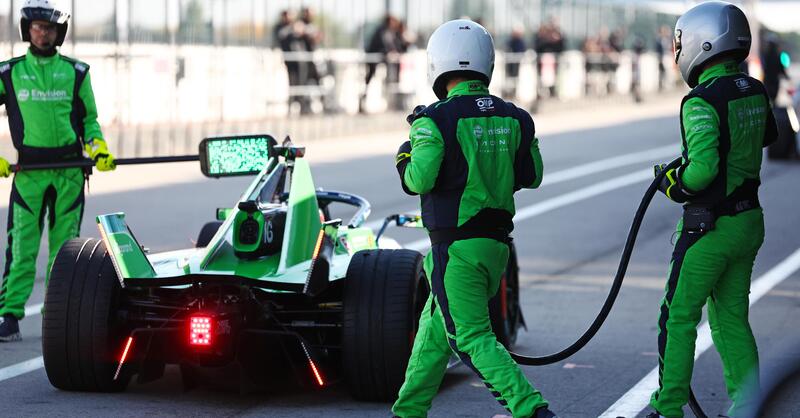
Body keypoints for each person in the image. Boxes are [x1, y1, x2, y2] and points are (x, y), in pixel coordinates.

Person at [392, 19, 556, 418]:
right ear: (487, 63)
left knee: (470, 337)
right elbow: (532, 176)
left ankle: (531, 409)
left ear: (438, 65)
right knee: (434, 335)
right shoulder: (516, 118)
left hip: (456, 251)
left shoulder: (433, 119)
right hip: (495, 248)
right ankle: (407, 412)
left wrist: (404, 155)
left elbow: (419, 178)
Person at [648, 2, 778, 417]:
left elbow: (701, 172)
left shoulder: (700, 99)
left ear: (704, 41)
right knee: (730, 319)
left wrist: (672, 182)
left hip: (711, 228)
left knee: (678, 318)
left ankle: (667, 408)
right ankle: (748, 407)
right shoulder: (754, 88)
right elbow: (766, 137)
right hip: (749, 222)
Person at [0, 0, 116, 341]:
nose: (42, 32)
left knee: (65, 250)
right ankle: (9, 316)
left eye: (49, 27)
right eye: (36, 26)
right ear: (26, 30)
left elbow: (90, 122)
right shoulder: (8, 73)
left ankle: (58, 314)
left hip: (69, 171)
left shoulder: (77, 72)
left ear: (59, 32)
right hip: (29, 172)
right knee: (22, 248)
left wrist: (99, 150)